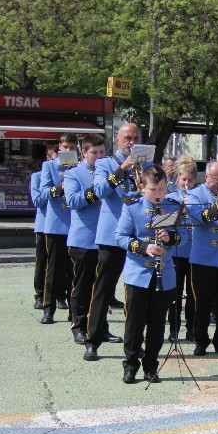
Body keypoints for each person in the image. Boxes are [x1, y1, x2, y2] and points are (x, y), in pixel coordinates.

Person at [115, 165, 182, 384]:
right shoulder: (132, 208)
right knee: (135, 323)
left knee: (157, 323)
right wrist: (145, 248)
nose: (159, 194)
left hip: (165, 272)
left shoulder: (172, 207)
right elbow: (121, 237)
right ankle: (131, 365)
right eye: (153, 189)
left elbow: (181, 237)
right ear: (142, 187)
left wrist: (168, 238)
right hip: (138, 273)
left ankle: (151, 366)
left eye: (162, 189)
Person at [86, 123, 144, 360]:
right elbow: (98, 190)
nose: (131, 142)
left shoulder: (147, 164)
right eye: (127, 138)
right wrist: (122, 168)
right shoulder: (104, 163)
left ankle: (134, 342)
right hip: (112, 234)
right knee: (104, 288)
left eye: (136, 138)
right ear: (117, 139)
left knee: (137, 292)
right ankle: (93, 340)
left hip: (138, 235)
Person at [185, 161, 218, 356]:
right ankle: (200, 340)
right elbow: (196, 217)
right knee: (203, 302)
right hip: (204, 258)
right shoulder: (195, 194)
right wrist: (217, 207)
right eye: (216, 179)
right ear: (207, 177)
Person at [64, 134, 105, 355]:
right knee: (82, 285)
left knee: (103, 287)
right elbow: (73, 201)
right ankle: (79, 326)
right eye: (94, 153)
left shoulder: (108, 171)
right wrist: (97, 191)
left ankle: (101, 327)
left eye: (101, 152)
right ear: (84, 153)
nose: (99, 157)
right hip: (84, 238)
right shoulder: (73, 173)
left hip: (106, 238)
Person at [39, 134, 78, 325]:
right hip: (56, 225)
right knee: (53, 269)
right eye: (65, 147)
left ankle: (74, 310)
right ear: (59, 148)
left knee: (74, 271)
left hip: (75, 225)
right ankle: (48, 309)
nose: (69, 151)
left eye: (72, 148)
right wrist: (59, 188)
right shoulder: (49, 166)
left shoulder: (80, 168)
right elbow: (42, 194)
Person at [165, 156, 196, 343]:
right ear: (177, 178)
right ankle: (173, 328)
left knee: (192, 293)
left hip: (193, 250)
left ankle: (191, 329)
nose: (187, 183)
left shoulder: (198, 196)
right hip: (176, 250)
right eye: (183, 179)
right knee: (174, 293)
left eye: (190, 180)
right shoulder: (170, 197)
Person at [30, 161, 49, 310]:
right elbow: (37, 200)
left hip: (64, 226)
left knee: (65, 265)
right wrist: (54, 190)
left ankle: (60, 295)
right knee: (42, 262)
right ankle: (40, 295)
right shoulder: (37, 176)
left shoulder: (70, 174)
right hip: (44, 226)